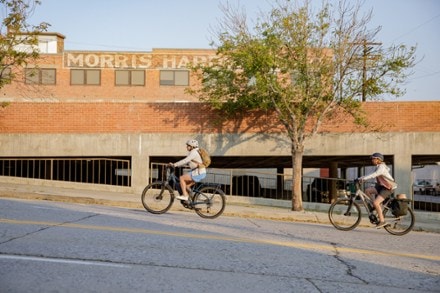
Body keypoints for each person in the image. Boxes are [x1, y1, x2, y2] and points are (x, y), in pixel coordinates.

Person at [358, 152, 397, 228]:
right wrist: (360, 178)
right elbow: (370, 174)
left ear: (378, 159)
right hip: (382, 186)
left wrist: (363, 179)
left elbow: (374, 174)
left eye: (373, 158)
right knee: (367, 191)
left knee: (376, 203)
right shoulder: (378, 166)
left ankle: (382, 221)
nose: (372, 160)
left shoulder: (382, 167)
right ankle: (374, 205)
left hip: (388, 187)